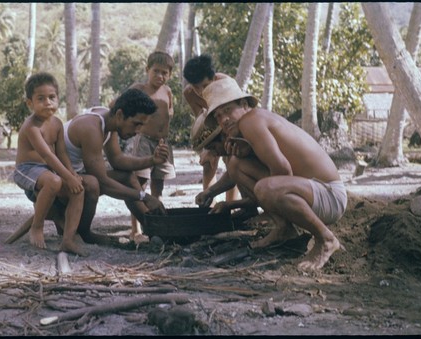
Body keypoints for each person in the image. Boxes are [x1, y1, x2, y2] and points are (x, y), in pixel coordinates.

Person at [200, 76, 347, 271]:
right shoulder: (251, 122)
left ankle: (326, 239)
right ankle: (284, 228)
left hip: (330, 196)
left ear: (243, 104)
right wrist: (213, 192)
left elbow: (282, 172)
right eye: (218, 116)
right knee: (236, 164)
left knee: (266, 187)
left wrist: (245, 201)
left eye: (227, 110)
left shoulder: (251, 121)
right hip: (314, 193)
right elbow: (246, 172)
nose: (223, 119)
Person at [61, 88, 168, 244]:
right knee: (93, 184)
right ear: (120, 115)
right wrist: (144, 197)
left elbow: (117, 160)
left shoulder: (109, 121)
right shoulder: (91, 128)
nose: (138, 131)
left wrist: (152, 160)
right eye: (136, 124)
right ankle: (84, 233)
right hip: (53, 182)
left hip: (74, 176)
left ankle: (154, 230)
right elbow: (102, 181)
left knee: (127, 176)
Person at [13, 72, 86, 256]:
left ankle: (68, 238)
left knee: (79, 188)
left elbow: (61, 153)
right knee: (55, 181)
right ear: (30, 103)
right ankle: (37, 227)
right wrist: (67, 177)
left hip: (47, 170)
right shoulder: (32, 127)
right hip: (27, 169)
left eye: (52, 97)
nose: (48, 102)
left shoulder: (57, 124)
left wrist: (72, 174)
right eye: (41, 98)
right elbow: (47, 155)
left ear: (58, 98)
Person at [126, 51, 176, 233]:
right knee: (140, 183)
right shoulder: (139, 89)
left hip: (162, 143)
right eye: (156, 71)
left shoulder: (168, 91)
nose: (160, 76)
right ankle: (136, 228)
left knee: (159, 182)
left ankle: (158, 222)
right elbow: (120, 105)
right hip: (144, 142)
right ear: (147, 70)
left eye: (165, 73)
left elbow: (169, 114)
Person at [183, 54, 239, 204]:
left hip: (231, 127)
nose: (201, 90)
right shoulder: (189, 93)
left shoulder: (225, 82)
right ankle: (208, 204)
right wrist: (205, 147)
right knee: (208, 163)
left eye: (205, 85)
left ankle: (231, 205)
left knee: (232, 163)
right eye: (196, 87)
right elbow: (200, 119)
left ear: (213, 78)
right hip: (212, 129)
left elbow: (237, 113)